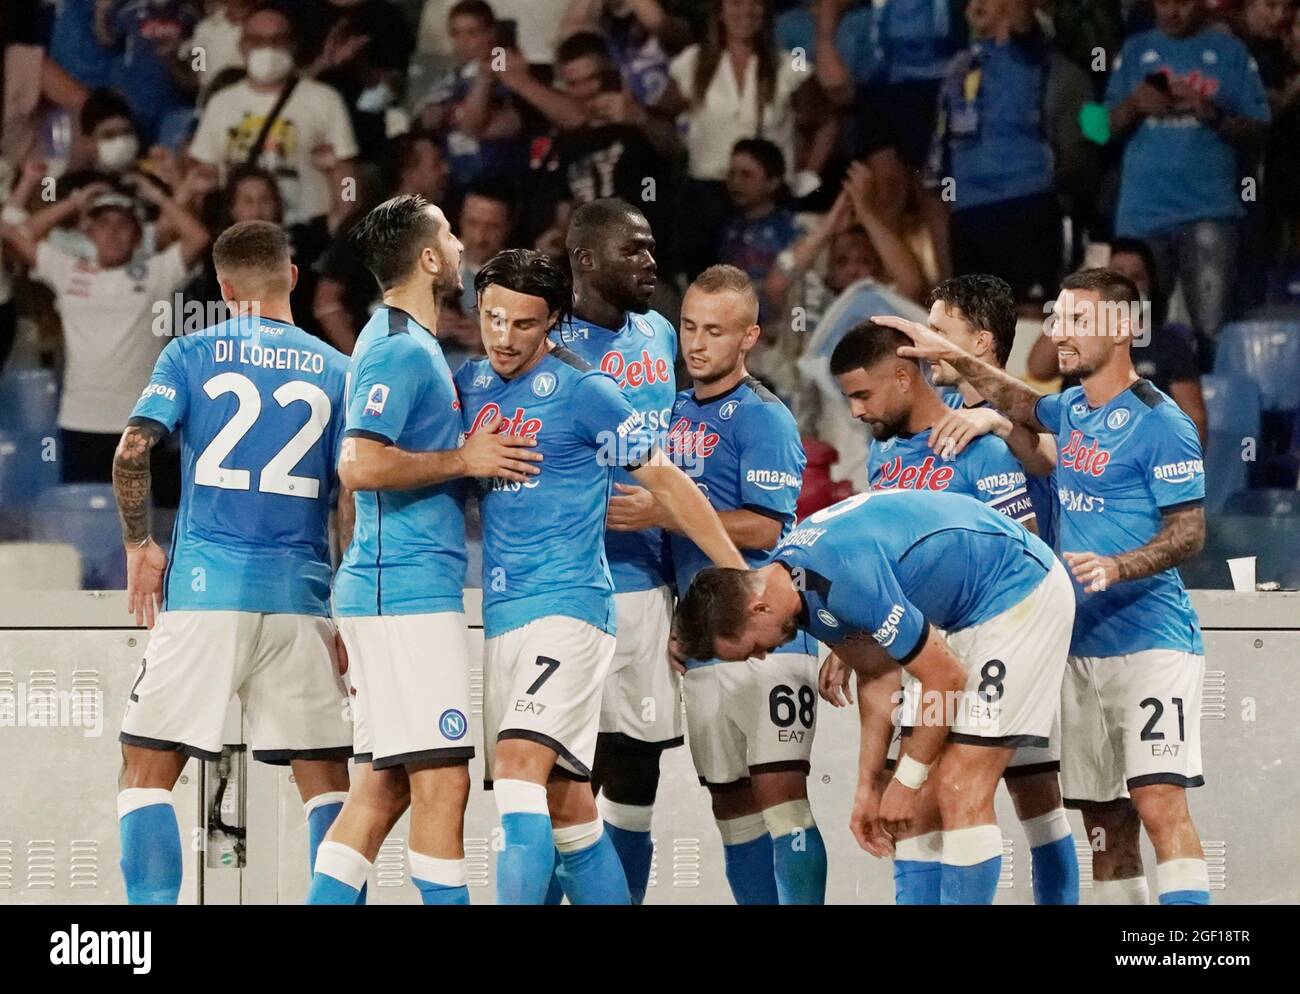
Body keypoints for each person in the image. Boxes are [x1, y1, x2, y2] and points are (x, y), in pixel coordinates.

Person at [880, 266, 1212, 905]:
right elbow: (1022, 403)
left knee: (1159, 803)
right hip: (1078, 648)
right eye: (1057, 317)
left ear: (1122, 329)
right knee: (1104, 826)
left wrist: (1119, 565)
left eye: (1077, 320)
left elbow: (1191, 532)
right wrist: (955, 362)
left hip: (1152, 642)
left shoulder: (1161, 420)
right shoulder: (1074, 409)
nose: (1059, 332)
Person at [457, 248, 745, 905]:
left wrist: (732, 566)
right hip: (502, 617)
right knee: (569, 811)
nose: (503, 337)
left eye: (524, 324)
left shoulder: (586, 391)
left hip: (570, 610)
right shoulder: (470, 385)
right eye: (492, 318)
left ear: (553, 322)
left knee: (519, 774)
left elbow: (666, 478)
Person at [304, 194, 541, 906]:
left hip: (387, 588)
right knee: (443, 780)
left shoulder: (407, 342)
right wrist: (465, 462)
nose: (464, 245)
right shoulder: (400, 348)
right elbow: (359, 466)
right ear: (429, 258)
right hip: (401, 590)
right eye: (449, 234)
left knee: (382, 788)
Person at [673, 487, 1076, 905]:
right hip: (960, 619)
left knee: (958, 788)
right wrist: (868, 788)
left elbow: (946, 678)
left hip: (1019, 596)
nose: (762, 656)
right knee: (911, 809)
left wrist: (906, 778)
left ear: (758, 609)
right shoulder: (796, 590)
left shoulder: (843, 578)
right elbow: (878, 673)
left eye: (752, 647)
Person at [110, 220, 354, 902]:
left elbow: (131, 451)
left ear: (222, 288)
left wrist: (139, 547)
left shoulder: (189, 353)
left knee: (148, 769)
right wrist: (347, 609)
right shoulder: (338, 370)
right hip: (301, 598)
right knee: (328, 783)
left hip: (204, 592)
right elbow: (352, 497)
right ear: (294, 278)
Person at [827, 318, 1082, 906]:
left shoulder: (979, 447)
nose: (857, 411)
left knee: (1015, 795)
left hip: (1003, 625)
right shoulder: (885, 454)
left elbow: (1025, 545)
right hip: (931, 641)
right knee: (914, 801)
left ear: (901, 377)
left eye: (863, 394)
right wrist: (856, 636)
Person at [661, 265, 826, 905]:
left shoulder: (763, 416)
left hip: (768, 639)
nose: (697, 344)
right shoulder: (670, 412)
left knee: (783, 802)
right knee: (731, 809)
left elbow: (764, 526)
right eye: (689, 327)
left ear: (749, 336)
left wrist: (668, 510)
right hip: (705, 641)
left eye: (716, 331)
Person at [549, 197, 678, 903]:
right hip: (572, 592)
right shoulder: (549, 345)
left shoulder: (659, 333)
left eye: (652, 247)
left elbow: (674, 460)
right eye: (633, 250)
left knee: (638, 773)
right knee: (566, 782)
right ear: (585, 260)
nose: (650, 261)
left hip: (650, 590)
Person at [0, 174, 207, 495]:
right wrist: (74, 201)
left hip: (143, 424)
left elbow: (198, 237)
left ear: (138, 236)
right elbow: (15, 234)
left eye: (122, 225)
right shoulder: (67, 270)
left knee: (145, 529)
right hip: (80, 421)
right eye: (103, 224)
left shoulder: (156, 274)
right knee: (85, 518)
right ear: (89, 232)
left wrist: (156, 195)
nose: (111, 233)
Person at [1106, 0, 1270, 354]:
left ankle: (1211, 402)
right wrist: (1133, 105)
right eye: (1165, 2)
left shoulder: (1229, 51)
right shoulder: (1133, 51)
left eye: (1182, 2)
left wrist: (1212, 113)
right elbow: (1092, 128)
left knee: (1212, 335)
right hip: (1141, 216)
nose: (1172, 12)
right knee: (1131, 336)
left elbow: (1262, 129)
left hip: (1209, 210)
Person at [926, 0, 1092, 300]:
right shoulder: (957, 69)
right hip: (968, 216)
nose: (976, 4)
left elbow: (1023, 24)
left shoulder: (1034, 57)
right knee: (977, 330)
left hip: (1026, 204)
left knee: (1028, 319)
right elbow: (939, 167)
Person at [661, 0, 809, 277]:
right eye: (737, 3)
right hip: (707, 197)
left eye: (755, 4)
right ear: (720, 11)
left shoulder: (788, 65)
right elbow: (661, 118)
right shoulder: (692, 63)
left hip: (768, 197)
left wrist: (808, 172)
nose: (747, 11)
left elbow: (823, 121)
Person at [1027, 240, 1208, 444]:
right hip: (1078, 456)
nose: (1127, 284)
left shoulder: (1170, 343)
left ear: (1151, 285)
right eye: (1117, 275)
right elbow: (1038, 368)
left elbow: (1194, 419)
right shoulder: (1077, 335)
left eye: (1137, 277)